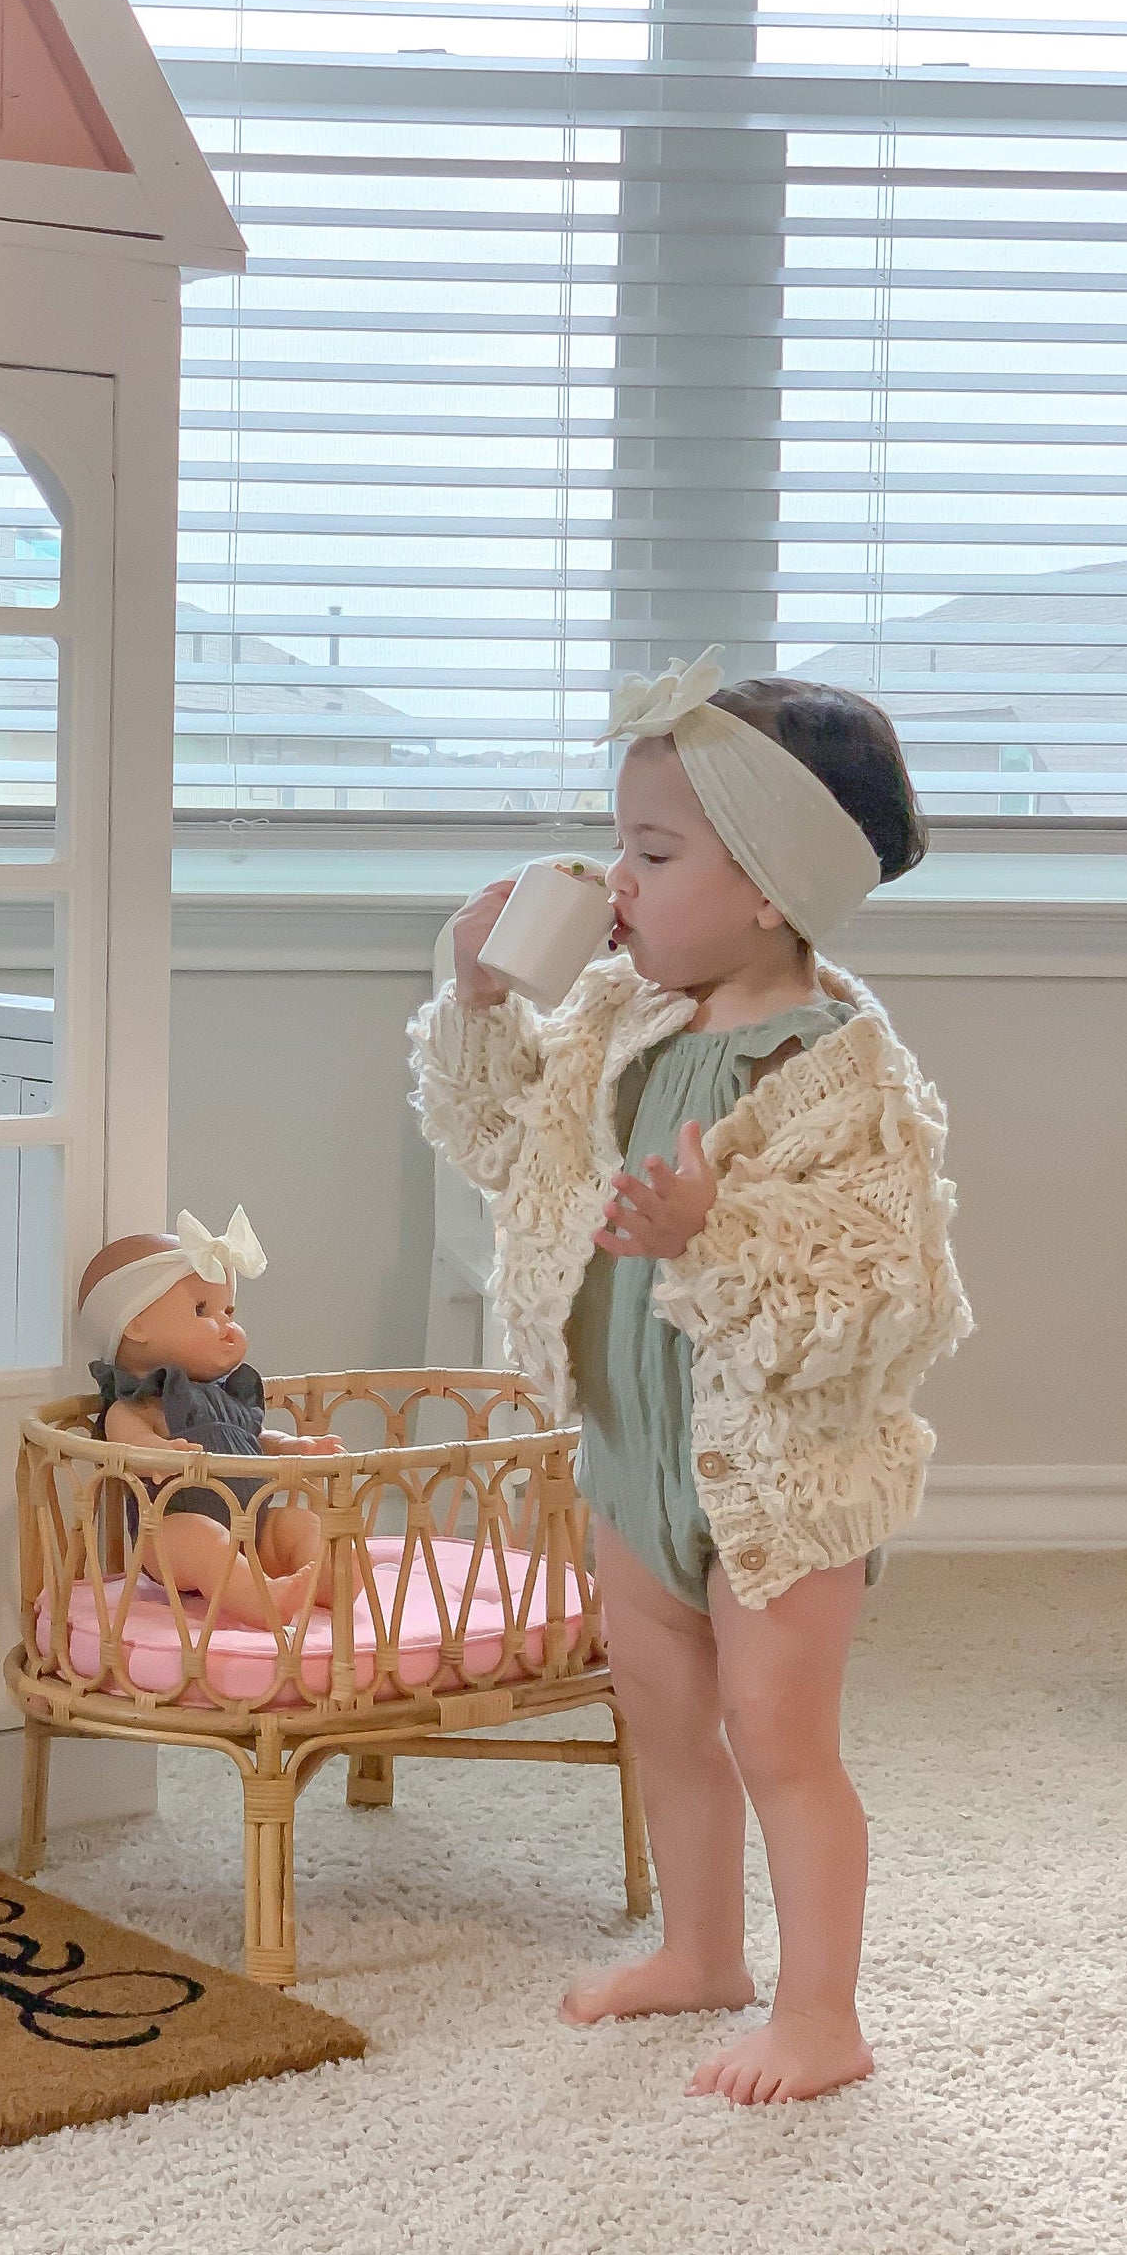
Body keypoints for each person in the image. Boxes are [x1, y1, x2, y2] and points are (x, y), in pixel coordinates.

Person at [409, 650, 972, 2104]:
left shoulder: (846, 1071)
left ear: (770, 889)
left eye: (653, 851)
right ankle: (699, 1946)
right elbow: (498, 1133)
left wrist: (709, 1224)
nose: (618, 879)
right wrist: (478, 992)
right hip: (629, 1452)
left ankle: (820, 2009)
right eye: (620, 843)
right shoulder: (615, 1021)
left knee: (777, 1735)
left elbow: (876, 1281)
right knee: (661, 1716)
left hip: (774, 1469)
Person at [78, 1208, 345, 1626]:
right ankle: (262, 1601)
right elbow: (130, 1444)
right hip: (170, 1536)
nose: (225, 1325)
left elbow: (252, 1444)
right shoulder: (139, 1405)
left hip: (250, 1527)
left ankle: (324, 1578)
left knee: (301, 1523)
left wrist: (291, 1446)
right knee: (204, 1541)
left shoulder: (230, 1398)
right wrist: (160, 1451)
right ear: (137, 1326)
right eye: (203, 1310)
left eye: (229, 1312)